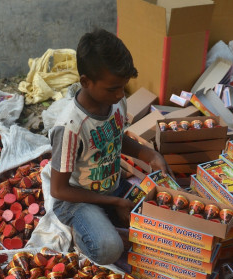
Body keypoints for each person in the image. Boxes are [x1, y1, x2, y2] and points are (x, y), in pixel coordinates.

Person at [49, 29, 170, 265]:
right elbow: (59, 190)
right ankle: (83, 234)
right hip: (77, 199)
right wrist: (115, 203)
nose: (119, 94)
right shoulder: (70, 127)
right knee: (108, 249)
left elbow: (116, 137)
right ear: (85, 81)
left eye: (123, 87)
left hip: (111, 187)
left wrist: (150, 154)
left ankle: (107, 218)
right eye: (112, 88)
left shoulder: (116, 102)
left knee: (163, 216)